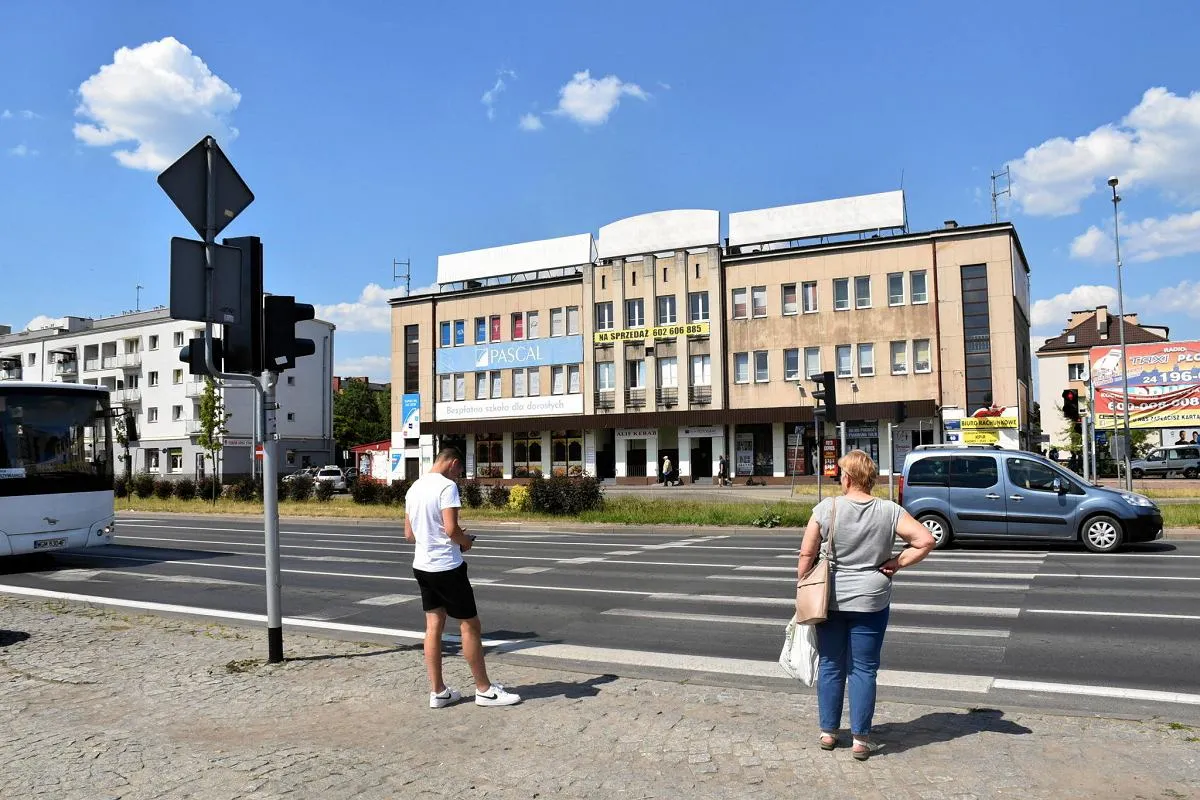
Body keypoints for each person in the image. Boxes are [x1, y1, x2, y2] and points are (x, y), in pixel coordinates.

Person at [797, 450, 934, 760]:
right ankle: (860, 739)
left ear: (847, 477)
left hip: (829, 599)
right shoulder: (890, 510)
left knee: (831, 664)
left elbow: (807, 555)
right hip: (872, 599)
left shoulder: (825, 508)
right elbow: (925, 540)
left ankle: (829, 733)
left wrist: (802, 585)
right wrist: (897, 562)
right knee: (864, 669)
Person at [405, 448, 521, 708]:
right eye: (459, 470)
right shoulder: (447, 487)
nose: (459, 475)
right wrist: (465, 542)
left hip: (422, 565)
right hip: (447, 566)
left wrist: (441, 533)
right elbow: (450, 529)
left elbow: (409, 534)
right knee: (470, 625)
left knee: (433, 627)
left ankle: (438, 692)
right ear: (453, 463)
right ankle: (484, 689)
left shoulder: (414, 487)